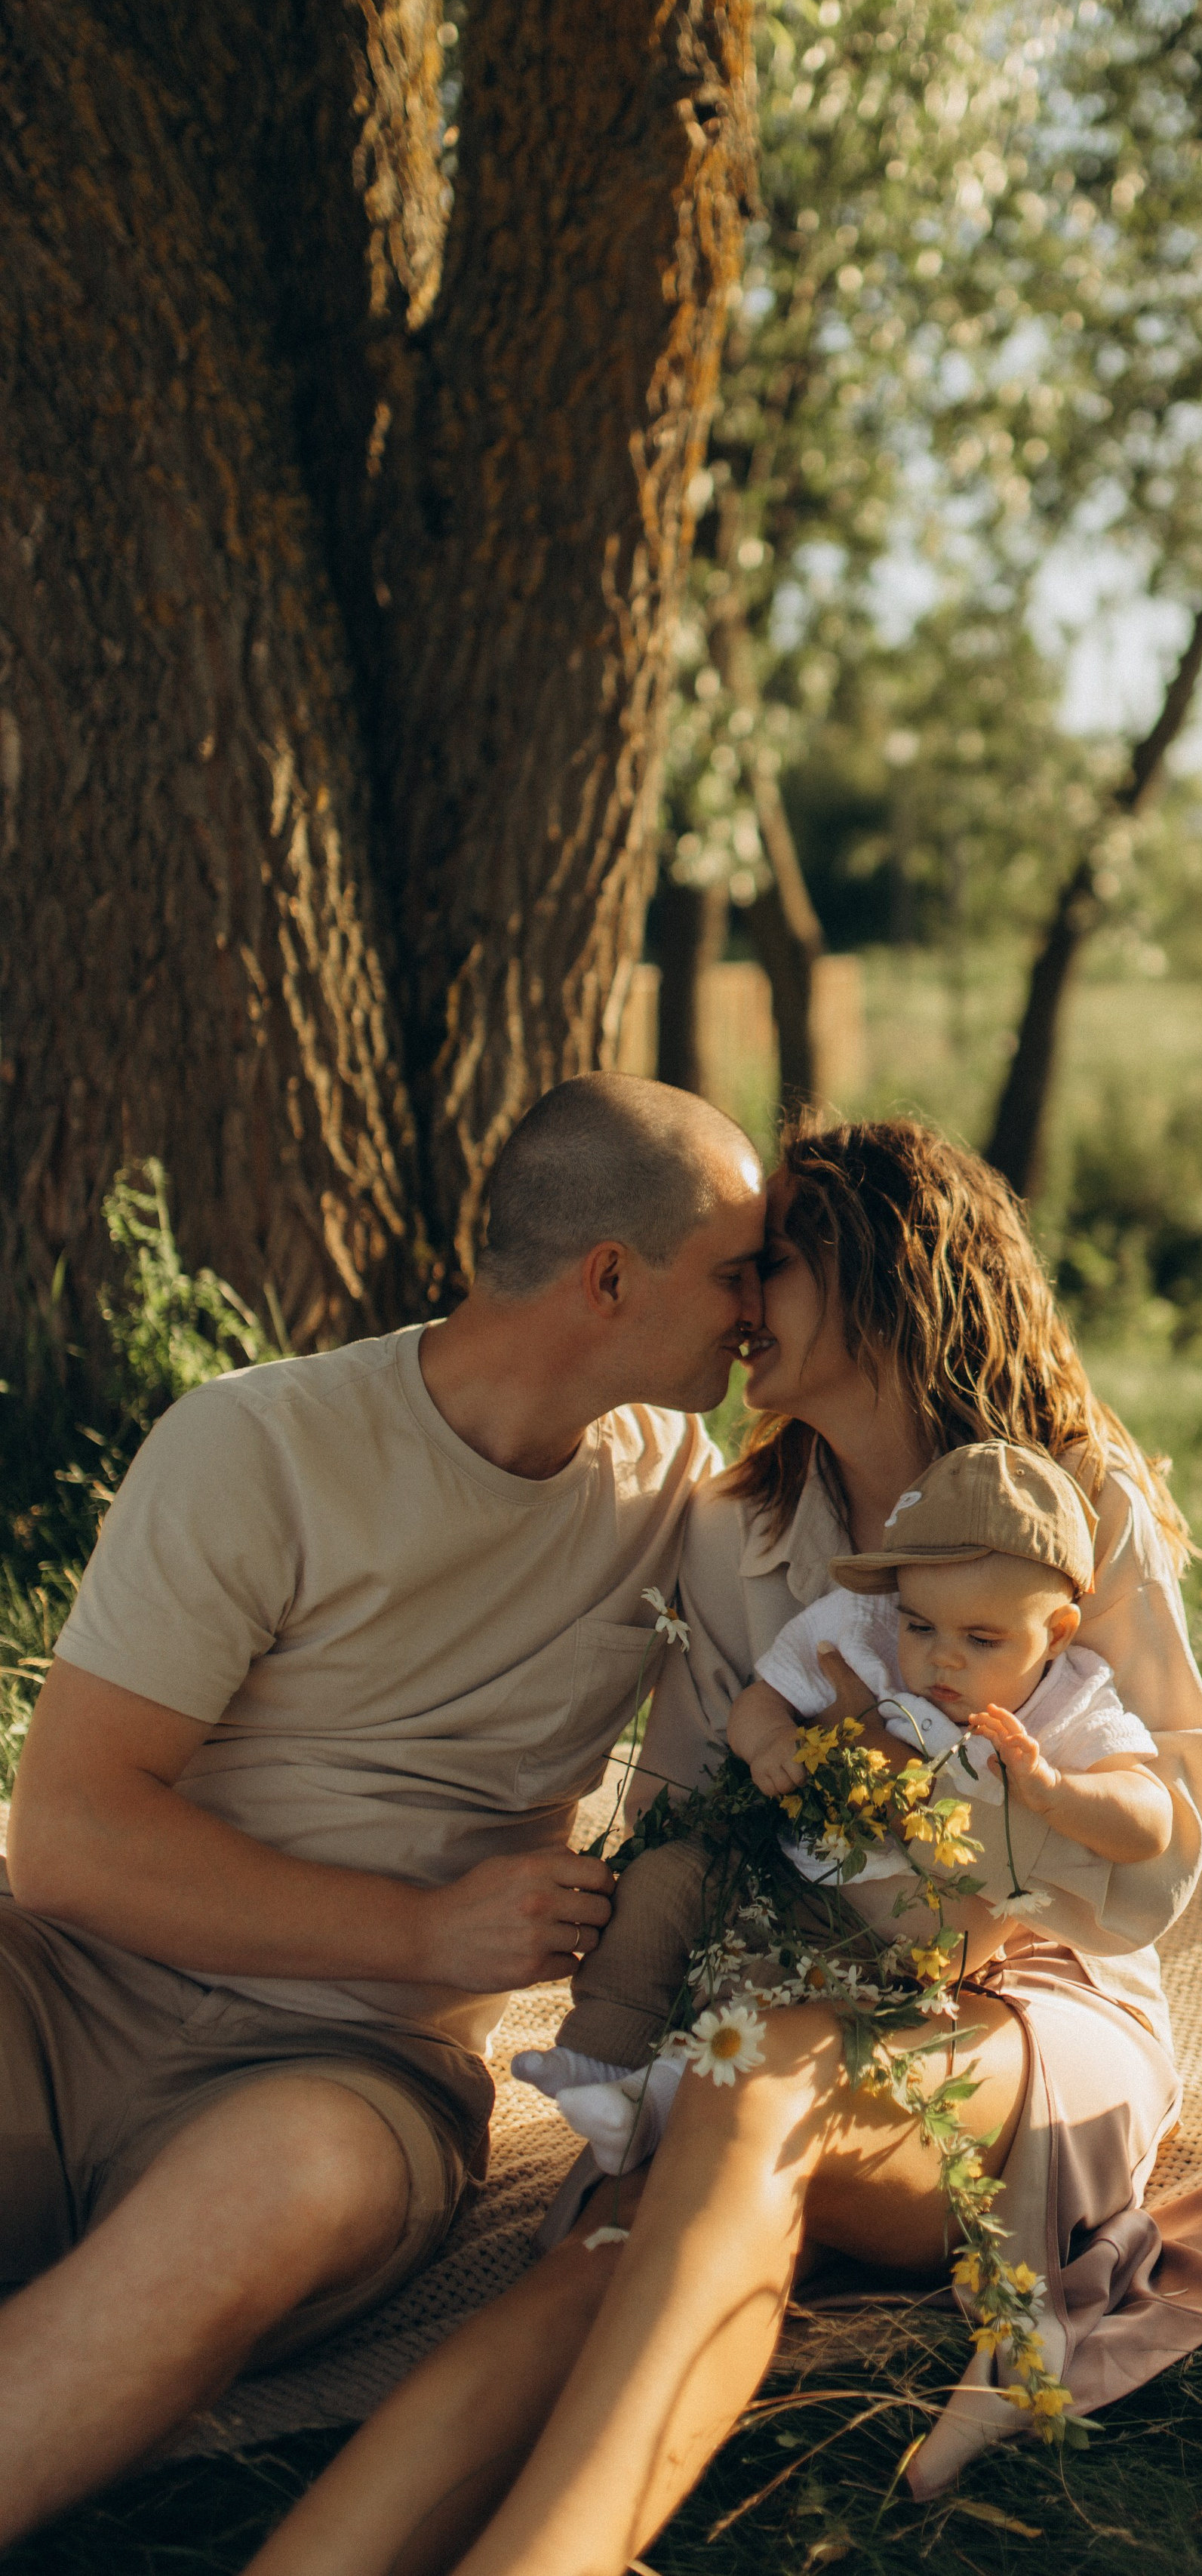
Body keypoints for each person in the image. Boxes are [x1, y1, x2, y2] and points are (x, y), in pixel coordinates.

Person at [244, 1118, 1202, 2576]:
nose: (735, 1305)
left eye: (768, 1267)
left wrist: (966, 1802)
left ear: (878, 1285)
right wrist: (608, 2062)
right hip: (785, 1999)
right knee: (642, 2200)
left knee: (758, 2064)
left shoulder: (1071, 1500)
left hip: (1031, 2010)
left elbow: (1155, 1877)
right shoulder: (736, 1535)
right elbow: (680, 1817)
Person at [0, 1076, 767, 2549]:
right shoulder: (258, 1446)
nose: (759, 1310)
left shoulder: (689, 1499)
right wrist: (427, 1922)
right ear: (609, 1276)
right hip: (71, 1991)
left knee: (273, 2184)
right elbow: (72, 1836)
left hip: (344, 2073)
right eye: (738, 1271)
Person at [516, 1439, 1170, 2160]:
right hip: (793, 1874)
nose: (943, 1657)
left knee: (780, 1999)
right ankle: (599, 2050)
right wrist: (769, 1745)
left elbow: (1148, 1822)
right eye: (920, 1625)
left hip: (907, 1943)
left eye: (983, 1640)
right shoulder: (862, 1627)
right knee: (665, 1882)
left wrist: (1057, 1791)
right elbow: (763, 1698)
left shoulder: (1069, 1701)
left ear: (1056, 1632)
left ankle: (665, 2102)